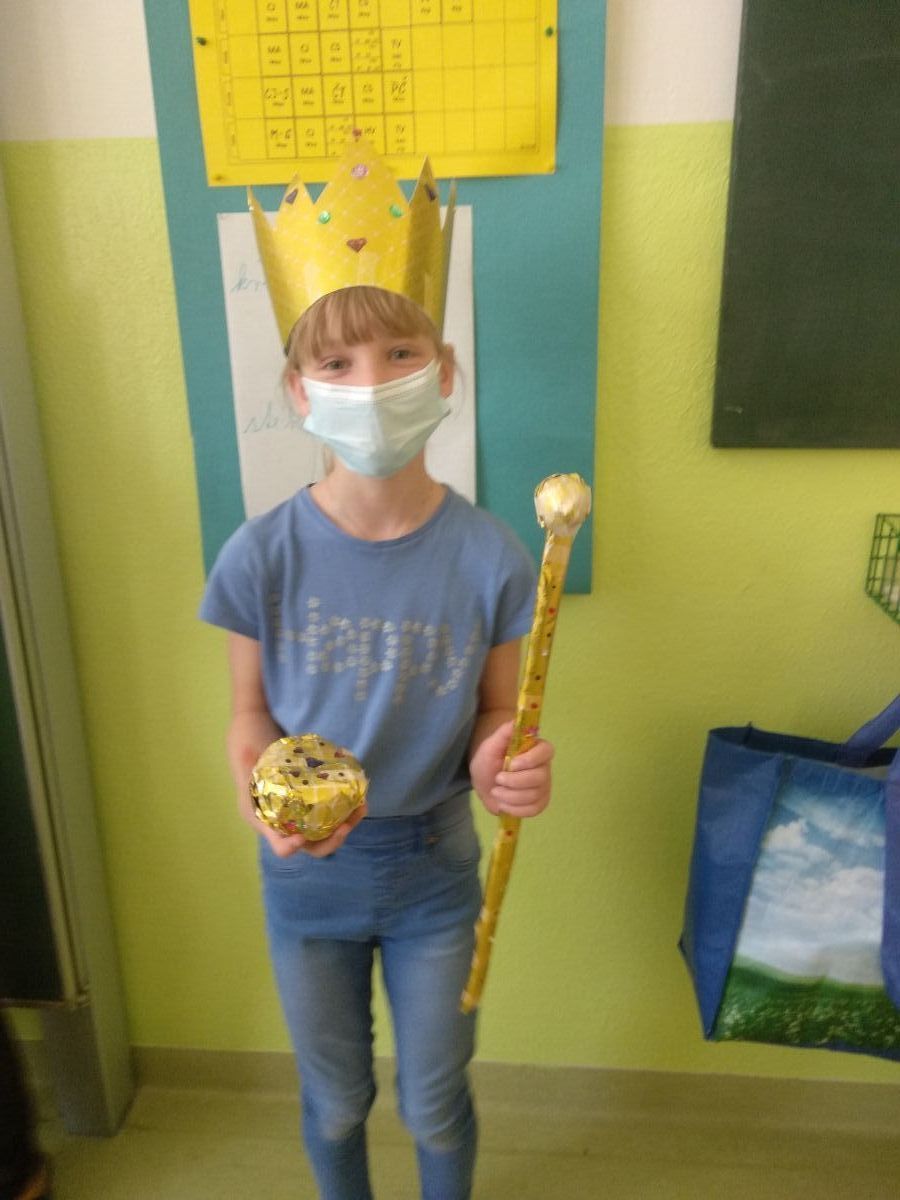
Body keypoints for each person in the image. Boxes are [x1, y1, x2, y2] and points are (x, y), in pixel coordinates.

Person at [200, 137, 553, 1200]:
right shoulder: (261, 555)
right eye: (338, 364)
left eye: (401, 354)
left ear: (443, 372)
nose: (371, 383)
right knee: (337, 1100)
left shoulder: (494, 555)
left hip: (436, 870)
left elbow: (497, 714)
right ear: (298, 391)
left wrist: (505, 764)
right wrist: (261, 797)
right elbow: (247, 716)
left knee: (435, 1099)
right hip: (306, 875)